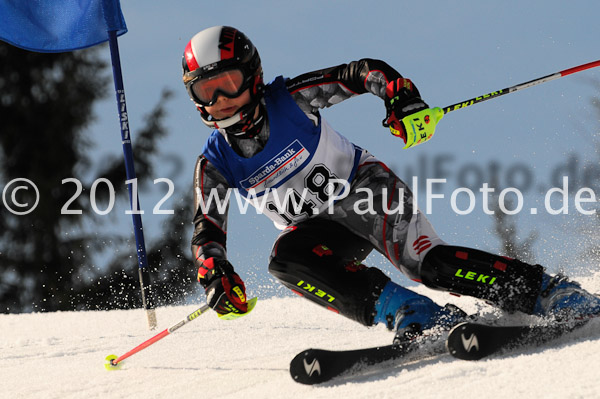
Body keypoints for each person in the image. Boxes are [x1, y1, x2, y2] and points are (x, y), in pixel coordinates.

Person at [182, 26, 600, 344]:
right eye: (205, 90)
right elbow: (208, 231)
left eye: (227, 83)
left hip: (365, 192)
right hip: (320, 231)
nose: (219, 100)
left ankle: (546, 291)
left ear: (251, 76)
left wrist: (402, 100)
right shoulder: (215, 162)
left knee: (428, 265)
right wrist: (215, 275)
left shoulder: (290, 100)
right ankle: (412, 313)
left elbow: (363, 73)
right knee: (286, 260)